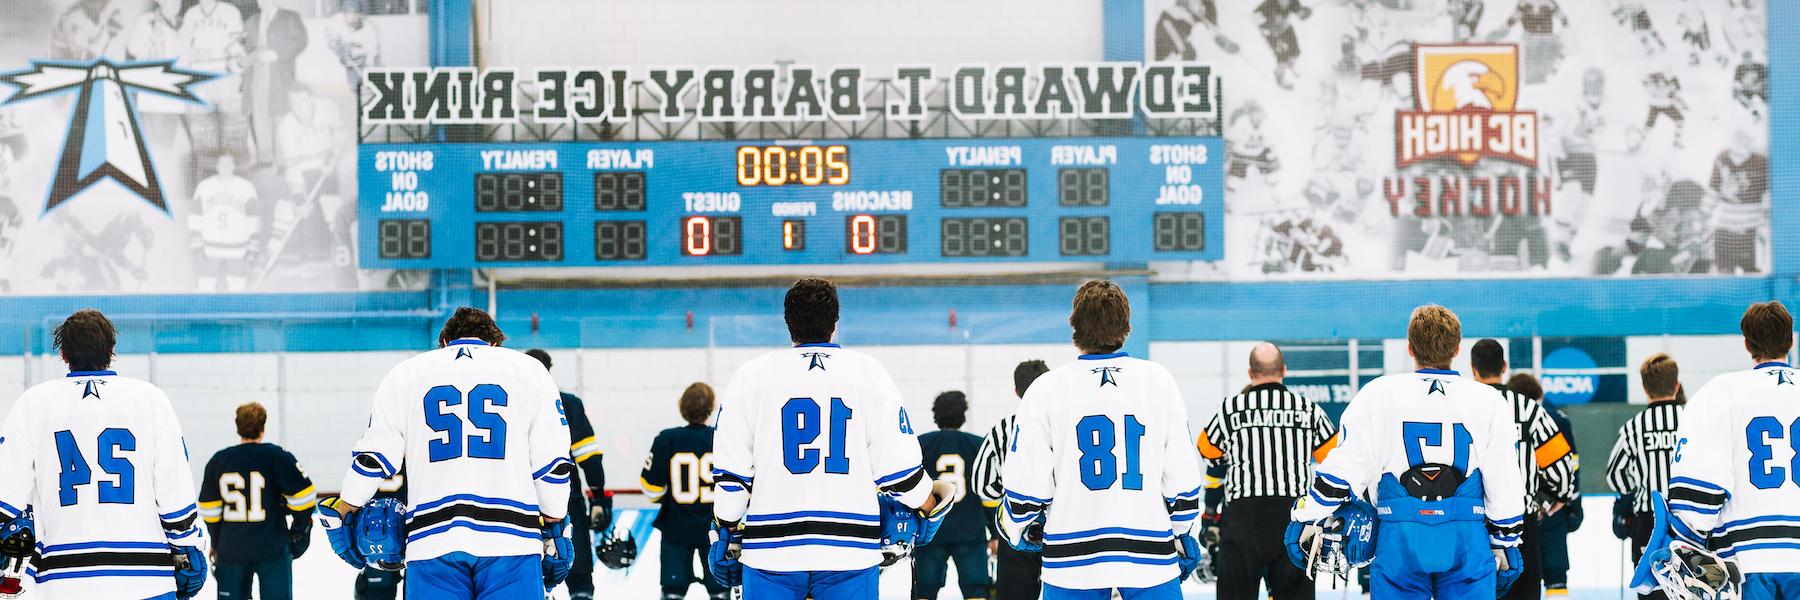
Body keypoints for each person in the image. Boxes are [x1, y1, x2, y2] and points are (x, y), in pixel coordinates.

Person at [709, 278, 956, 599]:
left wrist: (725, 529)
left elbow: (732, 479)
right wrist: (928, 504)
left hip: (770, 552)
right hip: (850, 552)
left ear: (788, 324)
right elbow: (900, 470)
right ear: (835, 325)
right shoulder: (869, 373)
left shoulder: (749, 377)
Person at [318, 307, 575, 600]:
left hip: (430, 541)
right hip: (512, 541)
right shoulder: (529, 371)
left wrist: (346, 508)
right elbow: (553, 464)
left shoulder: (405, 374)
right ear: (494, 342)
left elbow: (372, 458)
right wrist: (555, 524)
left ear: (444, 342)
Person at [1291, 305, 1527, 599]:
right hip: (1467, 537)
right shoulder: (1489, 401)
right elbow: (1504, 481)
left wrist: (1307, 516)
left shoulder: (1377, 394)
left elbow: (1341, 474)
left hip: (1398, 536)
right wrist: (1507, 539)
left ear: (1410, 347)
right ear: (1457, 348)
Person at [999, 280, 1207, 599]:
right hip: (1150, 555)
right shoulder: (1158, 381)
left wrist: (1019, 527)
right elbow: (1182, 477)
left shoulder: (1045, 389)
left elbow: (1026, 488)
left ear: (1074, 327)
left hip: (1070, 562)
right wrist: (1184, 531)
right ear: (1127, 326)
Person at [0, 309, 209, 599]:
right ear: (112, 351)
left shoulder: (33, 403)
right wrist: (187, 545)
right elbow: (175, 489)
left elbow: (5, 495)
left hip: (62, 582)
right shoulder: (150, 400)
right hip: (147, 580)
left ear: (63, 354)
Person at [1640, 301, 1800, 599]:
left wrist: (1687, 538)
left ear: (1746, 343)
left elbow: (1700, 490)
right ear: (1791, 340)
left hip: (1746, 563)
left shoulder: (1718, 393)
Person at [1196, 343, 1338, 600]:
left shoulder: (1231, 409)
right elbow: (1335, 460)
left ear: (1250, 373)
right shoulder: (1308, 410)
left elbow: (1207, 450)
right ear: (1283, 370)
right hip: (1293, 517)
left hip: (1242, 519)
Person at [1470, 339, 1577, 600]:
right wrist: (1549, 502)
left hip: (1469, 527)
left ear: (1473, 370)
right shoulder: (1530, 410)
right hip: (1521, 527)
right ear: (1504, 366)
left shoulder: (1460, 407)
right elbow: (1563, 472)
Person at [199, 402, 317, 600]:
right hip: (272, 548)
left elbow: (209, 510)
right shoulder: (277, 457)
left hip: (232, 549)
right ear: (263, 427)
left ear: (238, 427)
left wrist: (217, 542)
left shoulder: (219, 461)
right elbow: (304, 498)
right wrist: (298, 532)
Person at [524, 349, 608, 600]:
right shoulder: (568, 404)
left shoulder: (509, 402)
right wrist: (599, 499)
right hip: (564, 498)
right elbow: (589, 458)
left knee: (524, 576)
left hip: (520, 501)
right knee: (579, 574)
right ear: (549, 370)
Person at [1606, 354, 1684, 600]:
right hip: (1691, 521)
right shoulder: (1692, 418)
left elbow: (1615, 476)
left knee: (1651, 591)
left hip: (1647, 522)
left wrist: (1638, 484)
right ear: (1676, 386)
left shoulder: (1634, 427)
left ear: (1645, 388)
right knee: (1693, 588)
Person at [972, 360, 1051, 600]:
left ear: (1016, 391)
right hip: (1065, 528)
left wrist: (1008, 493)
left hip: (1016, 529)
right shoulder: (1068, 422)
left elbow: (982, 483)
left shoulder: (1002, 429)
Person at [641, 383, 726, 600]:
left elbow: (651, 490)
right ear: (712, 406)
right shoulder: (723, 438)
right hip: (714, 528)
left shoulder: (666, 439)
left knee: (672, 592)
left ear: (681, 406)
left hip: (675, 528)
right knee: (720, 590)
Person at [914, 391, 990, 600]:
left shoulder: (921, 444)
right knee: (976, 590)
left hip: (931, 529)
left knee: (924, 590)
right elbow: (989, 491)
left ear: (936, 414)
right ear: (963, 414)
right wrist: (994, 531)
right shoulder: (978, 444)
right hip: (970, 530)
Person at [244, 0, 308, 167]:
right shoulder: (251, 21)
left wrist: (277, 54)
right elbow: (247, 48)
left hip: (280, 75)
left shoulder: (290, 17)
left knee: (281, 116)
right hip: (257, 74)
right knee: (259, 115)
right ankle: (264, 158)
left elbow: (301, 41)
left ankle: (283, 160)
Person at [187, 153, 260, 291]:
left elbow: (253, 219)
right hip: (209, 246)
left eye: (229, 163)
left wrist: (252, 248)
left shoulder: (246, 187)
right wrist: (196, 245)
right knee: (205, 288)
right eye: (222, 163)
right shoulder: (204, 186)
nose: (225, 167)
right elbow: (195, 217)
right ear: (217, 166)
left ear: (234, 166)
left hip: (238, 247)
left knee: (237, 289)